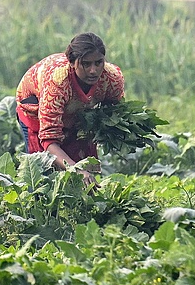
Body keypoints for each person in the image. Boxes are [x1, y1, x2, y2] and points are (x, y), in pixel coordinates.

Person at [16, 33, 125, 185]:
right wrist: (76, 170)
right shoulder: (58, 82)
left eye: (98, 62)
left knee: (83, 164)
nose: (93, 70)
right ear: (73, 63)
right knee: (42, 173)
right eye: (86, 64)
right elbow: (49, 141)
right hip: (35, 108)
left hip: (77, 112)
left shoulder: (112, 78)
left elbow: (114, 110)